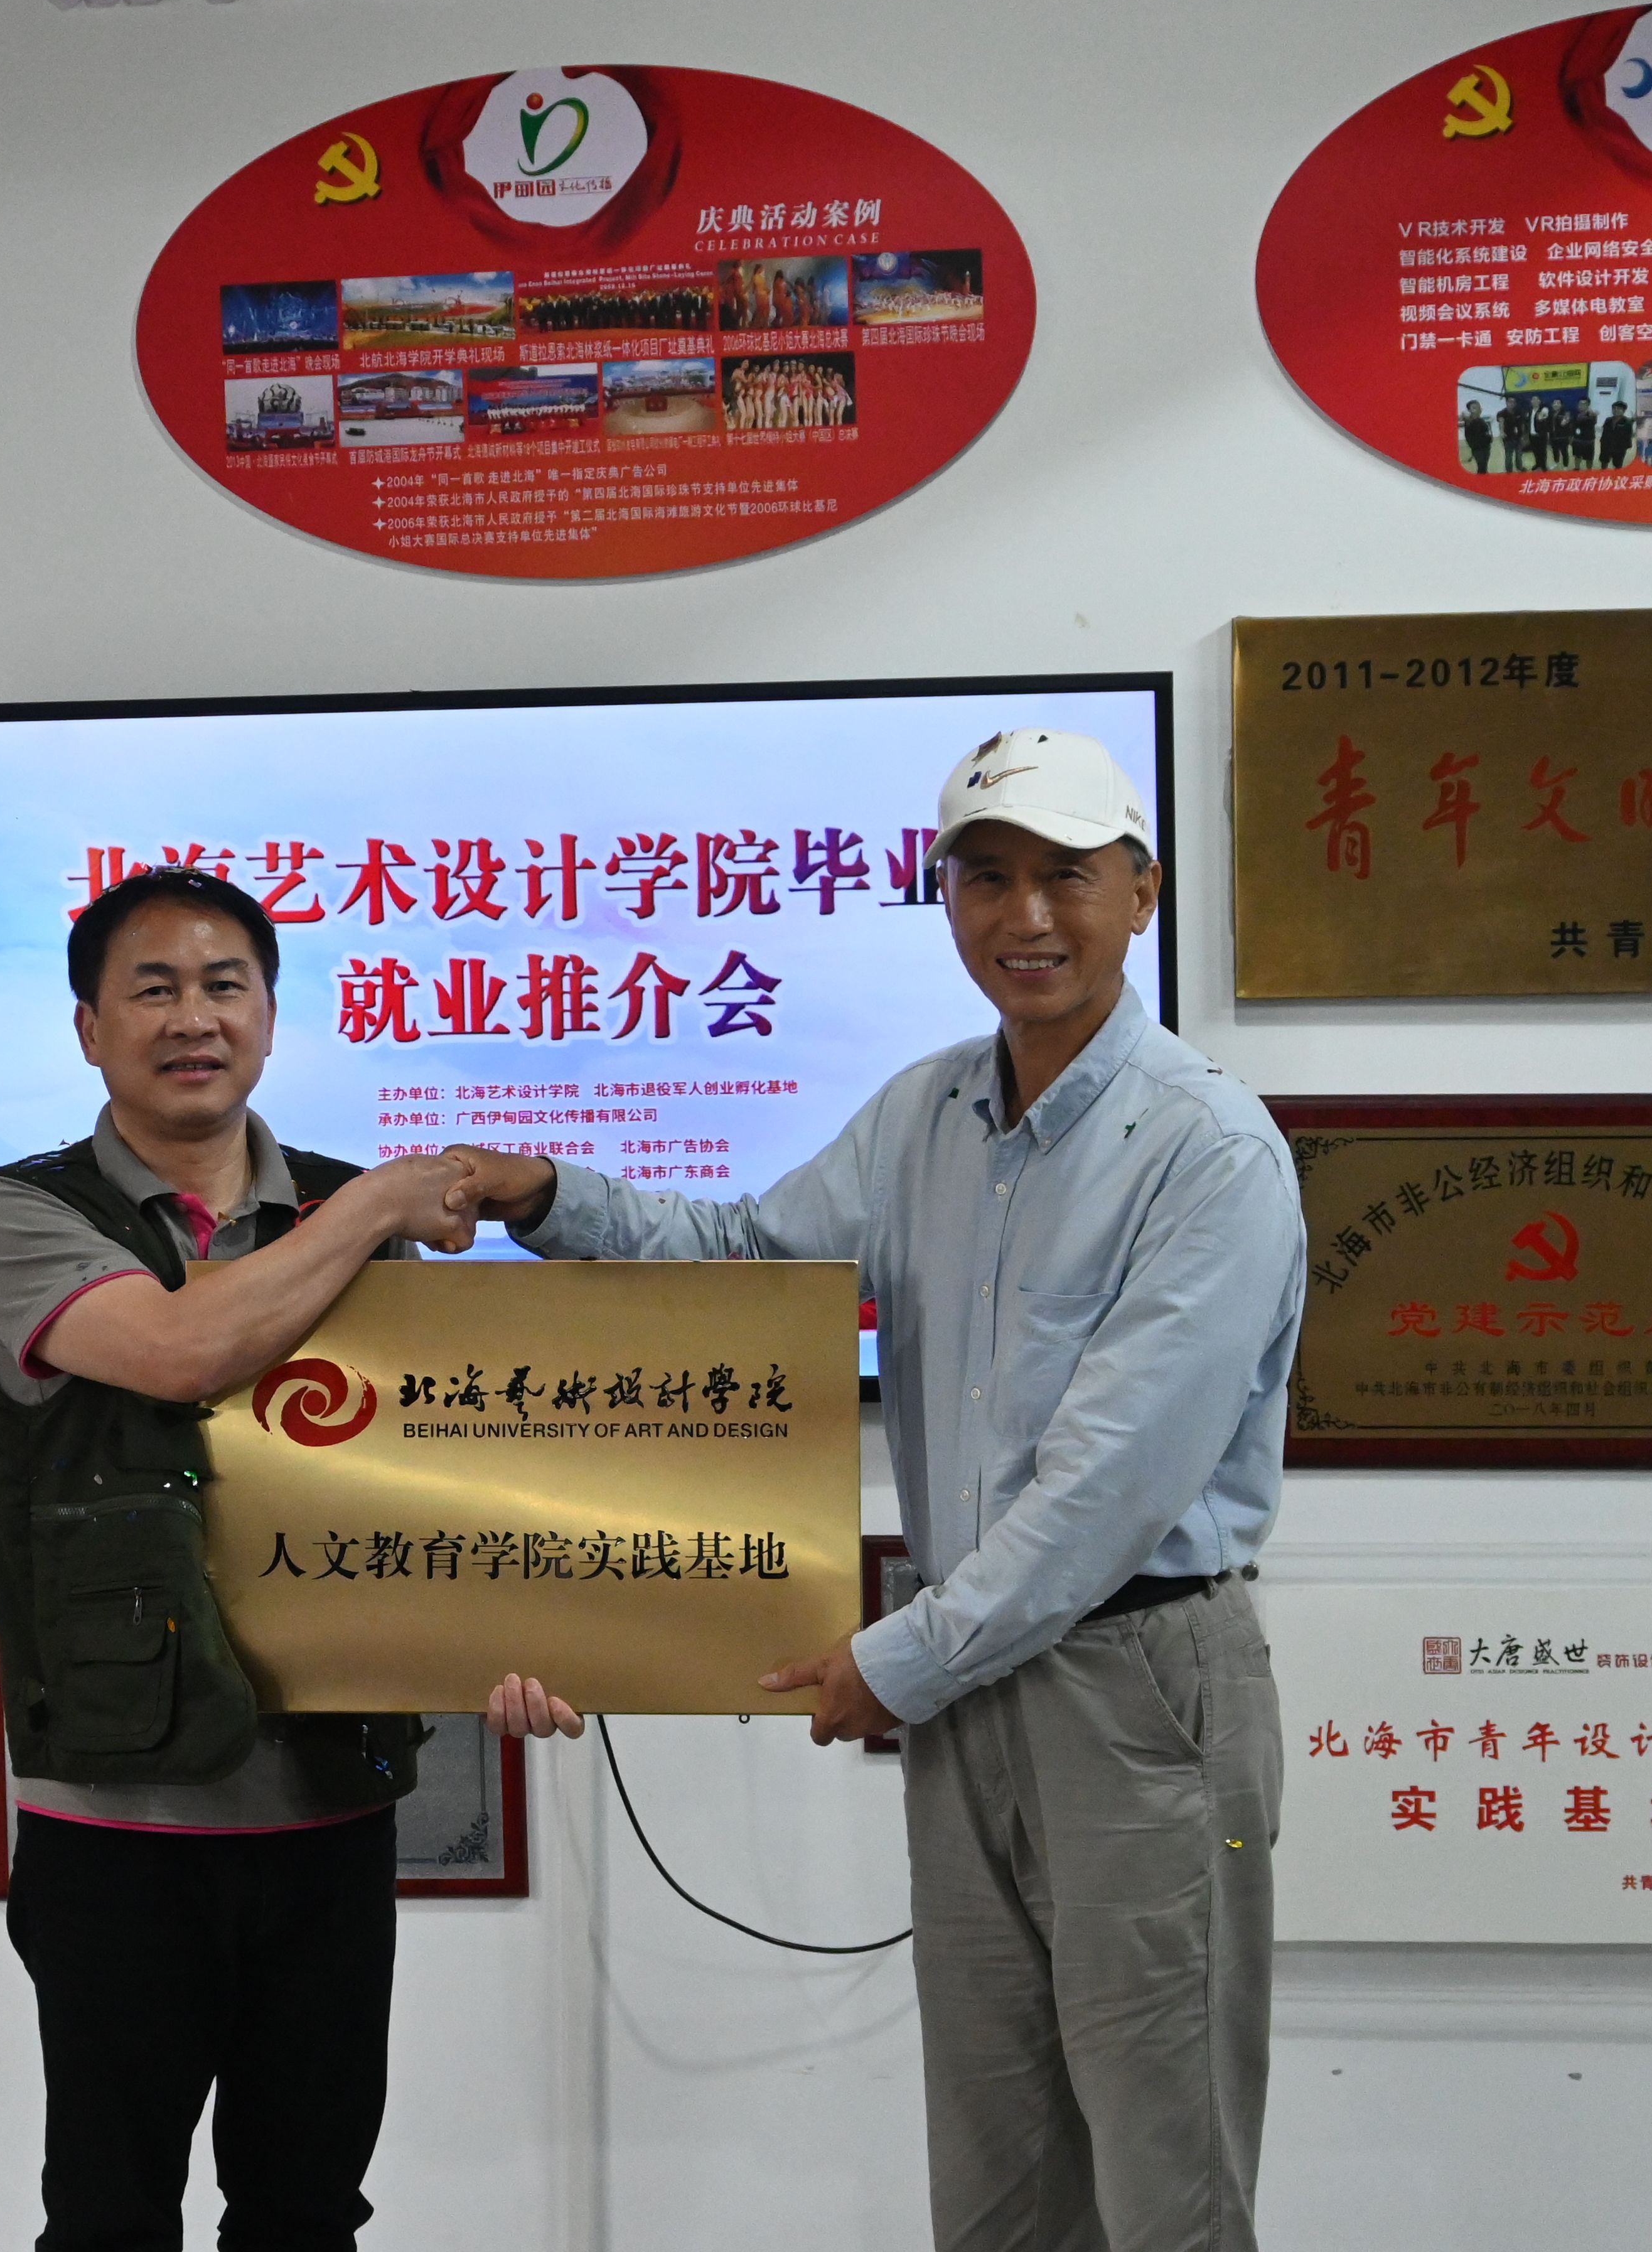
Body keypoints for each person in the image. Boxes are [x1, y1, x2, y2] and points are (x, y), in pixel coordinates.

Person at [447, 731, 1306, 2252]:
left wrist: (896, 1660)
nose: (1024, 916)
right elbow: (746, 1254)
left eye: (1065, 876)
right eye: (986, 877)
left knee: (1163, 2164)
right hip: (973, 1678)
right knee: (995, 2156)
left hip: (1136, 1681)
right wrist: (552, 1196)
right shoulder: (925, 1112)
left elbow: (1106, 1493)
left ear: (1142, 893)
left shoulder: (1205, 1150)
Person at [0, 866, 579, 2252]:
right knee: (110, 2216)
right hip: (116, 1822)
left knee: (307, 2210)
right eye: (153, 989)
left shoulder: (351, 1208)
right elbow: (180, 1350)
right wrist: (374, 1207)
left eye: (224, 985)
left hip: (325, 1808)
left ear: (271, 1017)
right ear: (89, 1028)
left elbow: (433, 1480)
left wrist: (518, 1640)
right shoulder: (20, 1215)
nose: (194, 1017)